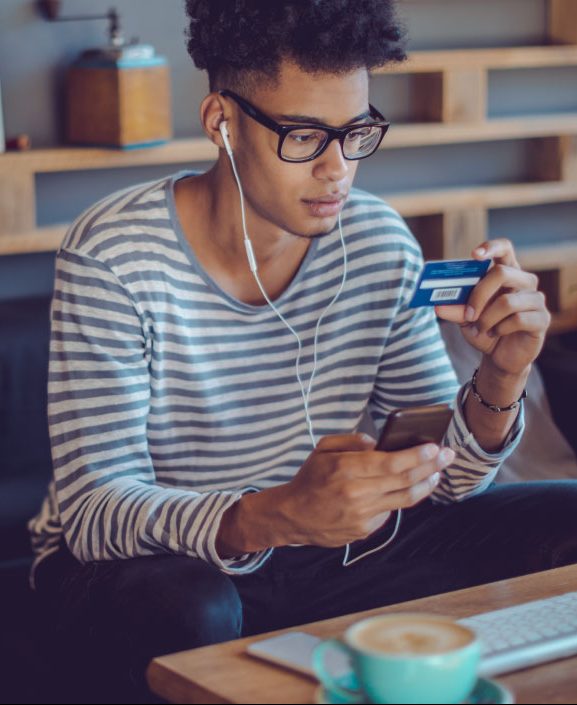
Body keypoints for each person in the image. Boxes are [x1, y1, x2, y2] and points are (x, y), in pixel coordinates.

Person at [29, 1, 577, 701]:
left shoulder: (377, 242)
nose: (336, 170)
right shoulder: (112, 253)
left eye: (355, 133)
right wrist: (275, 511)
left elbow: (447, 481)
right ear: (221, 121)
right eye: (304, 136)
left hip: (331, 552)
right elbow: (93, 510)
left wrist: (503, 374)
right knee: (190, 606)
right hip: (159, 566)